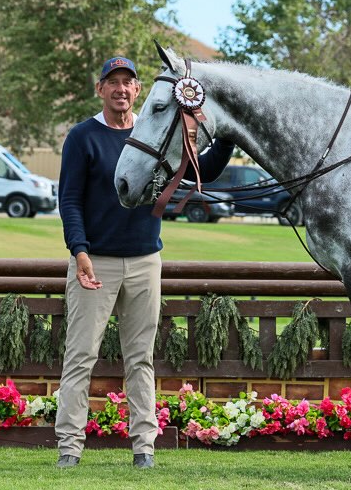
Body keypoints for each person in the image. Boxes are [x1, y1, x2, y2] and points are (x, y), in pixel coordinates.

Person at [55, 56, 233, 469]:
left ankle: (144, 447)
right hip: (94, 260)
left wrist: (224, 138)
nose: (121, 89)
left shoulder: (155, 132)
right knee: (81, 356)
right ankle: (69, 446)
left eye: (128, 82)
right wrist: (79, 252)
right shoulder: (82, 137)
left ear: (138, 91)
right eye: (112, 82)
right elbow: (69, 201)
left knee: (141, 358)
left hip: (144, 260)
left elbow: (201, 168)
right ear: (99, 89)